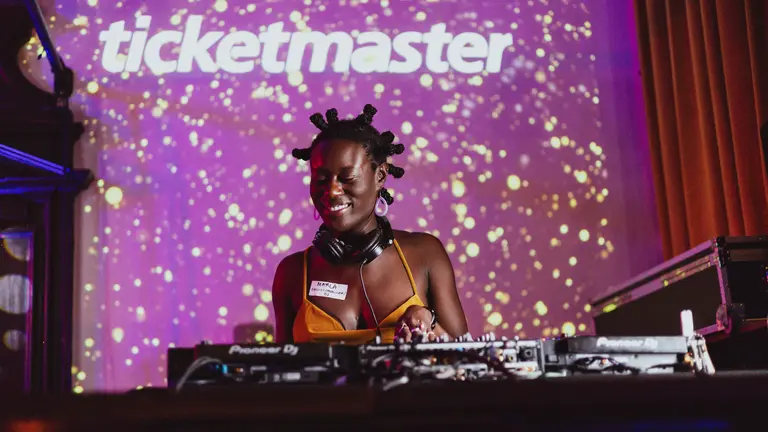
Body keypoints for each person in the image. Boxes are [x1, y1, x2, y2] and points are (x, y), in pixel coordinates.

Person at [271, 104, 468, 344]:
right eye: (321, 178)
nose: (332, 191)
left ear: (380, 176)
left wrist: (429, 321)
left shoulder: (426, 253)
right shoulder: (291, 272)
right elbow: (282, 363)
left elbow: (469, 357)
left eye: (347, 178)